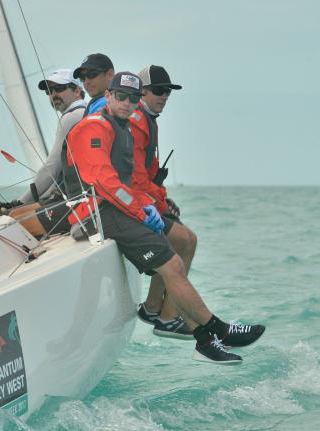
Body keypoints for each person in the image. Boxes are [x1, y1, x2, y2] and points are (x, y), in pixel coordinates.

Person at [65, 72, 265, 364]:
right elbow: (104, 181)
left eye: (133, 98)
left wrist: (148, 205)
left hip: (114, 209)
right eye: (120, 96)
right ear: (108, 96)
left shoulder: (122, 128)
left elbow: (131, 181)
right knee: (172, 264)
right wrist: (141, 211)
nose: (126, 103)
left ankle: (205, 340)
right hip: (96, 212)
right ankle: (217, 330)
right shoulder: (95, 128)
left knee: (174, 260)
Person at [129, 65, 197, 340]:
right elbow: (135, 177)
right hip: (131, 202)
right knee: (186, 240)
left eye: (168, 92)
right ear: (142, 91)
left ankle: (154, 307)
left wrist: (164, 199)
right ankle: (168, 317)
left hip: (144, 198)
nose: (164, 96)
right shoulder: (136, 121)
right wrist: (158, 205)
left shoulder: (149, 119)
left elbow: (151, 170)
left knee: (182, 239)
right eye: (159, 91)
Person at [0, 69, 87, 237]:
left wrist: (19, 202)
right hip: (76, 194)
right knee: (19, 214)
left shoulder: (72, 117)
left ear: (77, 90)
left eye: (59, 88)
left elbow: (52, 168)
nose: (54, 94)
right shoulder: (85, 111)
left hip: (79, 199)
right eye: (50, 91)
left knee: (14, 219)